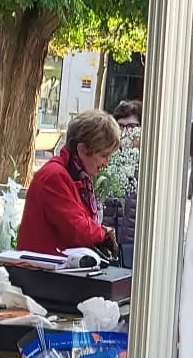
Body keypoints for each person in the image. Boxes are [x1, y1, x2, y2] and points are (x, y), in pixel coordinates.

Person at [17, 109, 120, 257]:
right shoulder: (54, 176)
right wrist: (103, 232)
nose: (106, 163)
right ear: (82, 150)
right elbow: (76, 228)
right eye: (104, 155)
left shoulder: (77, 175)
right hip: (40, 272)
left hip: (52, 269)